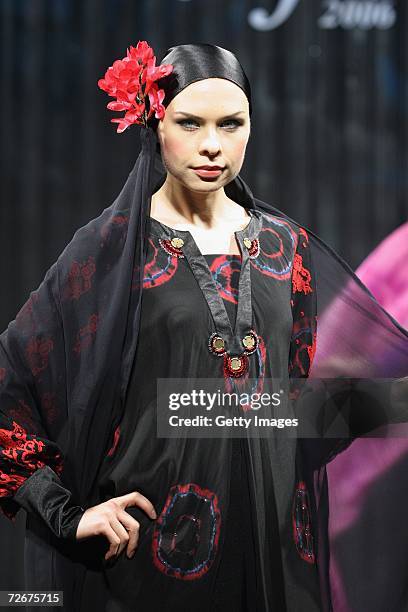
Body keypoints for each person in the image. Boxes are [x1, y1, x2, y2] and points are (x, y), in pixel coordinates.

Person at [0, 41, 407, 612]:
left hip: (268, 559)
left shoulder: (283, 246)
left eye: (231, 123)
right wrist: (66, 512)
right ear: (154, 124)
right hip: (149, 559)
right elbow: (11, 378)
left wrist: (391, 404)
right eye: (189, 123)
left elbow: (285, 416)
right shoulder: (111, 250)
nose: (212, 144)